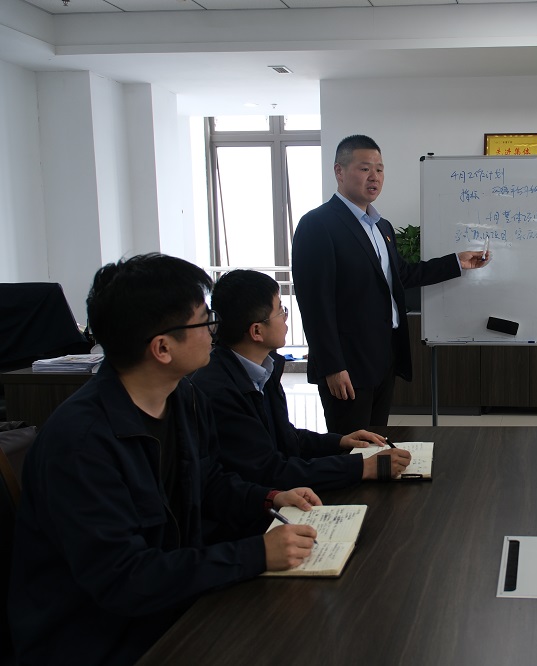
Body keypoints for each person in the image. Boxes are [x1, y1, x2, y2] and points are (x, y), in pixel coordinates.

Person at [8, 254, 321, 666]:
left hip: (170, 605)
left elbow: (208, 481)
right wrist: (256, 553)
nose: (214, 331)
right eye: (203, 322)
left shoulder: (184, 398)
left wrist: (270, 498)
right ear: (162, 348)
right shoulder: (80, 444)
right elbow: (126, 579)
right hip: (98, 638)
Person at [292, 134, 490, 434]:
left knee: (377, 442)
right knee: (351, 447)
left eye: (380, 169)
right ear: (339, 171)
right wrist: (332, 366)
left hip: (383, 356)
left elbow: (402, 275)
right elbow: (314, 304)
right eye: (364, 168)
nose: (374, 177)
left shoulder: (381, 227)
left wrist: (456, 262)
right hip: (348, 363)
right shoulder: (317, 225)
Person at [192, 269, 412, 492]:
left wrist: (339, 441)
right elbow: (271, 473)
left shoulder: (263, 368)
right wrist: (362, 467)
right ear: (257, 331)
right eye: (281, 311)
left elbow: (286, 438)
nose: (286, 318)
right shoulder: (220, 391)